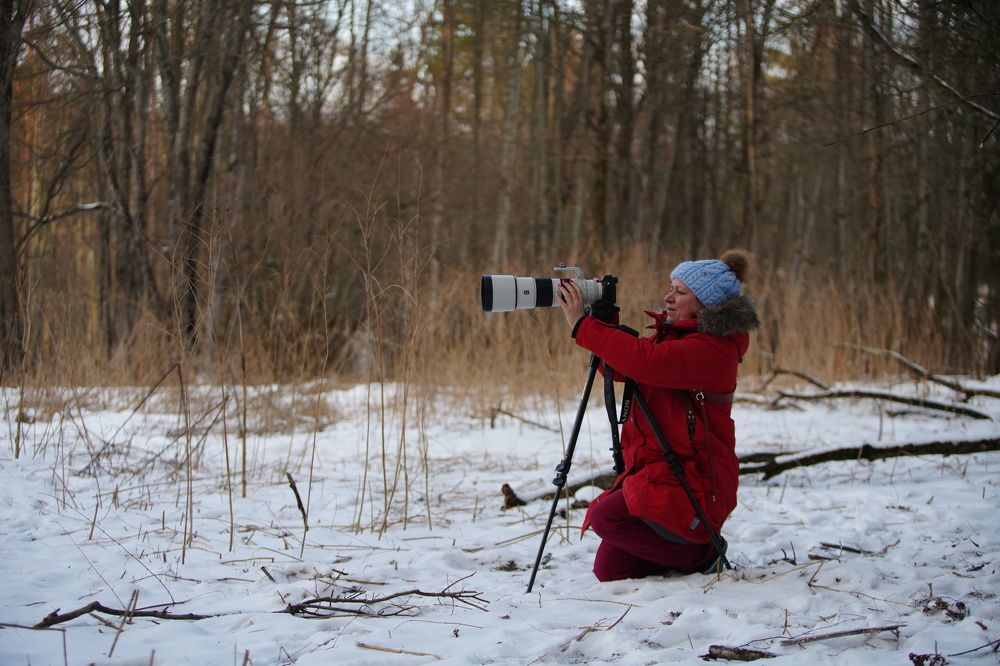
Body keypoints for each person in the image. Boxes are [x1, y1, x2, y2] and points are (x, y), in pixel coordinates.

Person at [556, 249, 759, 582]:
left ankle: (703, 554)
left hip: (693, 482)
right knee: (611, 570)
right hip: (660, 471)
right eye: (671, 287)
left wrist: (584, 326)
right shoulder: (677, 336)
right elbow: (627, 369)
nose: (668, 297)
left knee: (606, 518)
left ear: (705, 304)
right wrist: (603, 325)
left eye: (680, 292)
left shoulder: (713, 349)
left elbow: (646, 362)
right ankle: (679, 556)